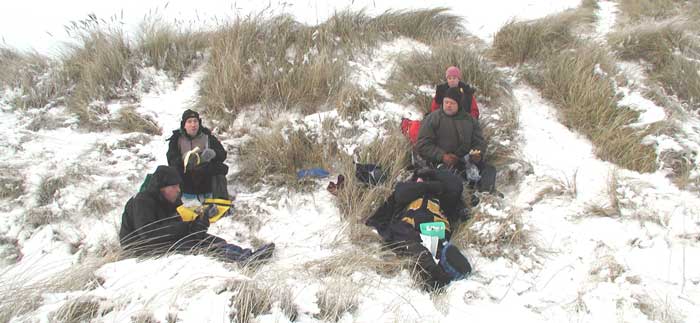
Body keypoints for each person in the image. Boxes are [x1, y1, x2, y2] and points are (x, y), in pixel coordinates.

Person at [119, 165, 274, 262]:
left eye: (178, 186)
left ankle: (246, 256)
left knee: (207, 239)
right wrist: (188, 228)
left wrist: (200, 223)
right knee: (193, 244)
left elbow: (180, 226)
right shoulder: (142, 201)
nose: (178, 190)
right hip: (140, 249)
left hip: (159, 242)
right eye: (173, 186)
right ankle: (242, 260)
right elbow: (149, 234)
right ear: (162, 187)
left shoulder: (170, 201)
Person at [366, 168, 471, 290]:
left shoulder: (442, 195)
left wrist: (434, 173)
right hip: (411, 227)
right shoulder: (407, 190)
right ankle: (433, 270)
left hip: (436, 229)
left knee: (430, 245)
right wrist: (427, 186)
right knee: (408, 238)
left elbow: (455, 185)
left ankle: (441, 267)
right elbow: (401, 193)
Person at [416, 86, 498, 194]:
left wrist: (477, 154)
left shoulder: (470, 120)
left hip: (465, 161)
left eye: (452, 103)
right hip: (440, 163)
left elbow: (479, 142)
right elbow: (422, 144)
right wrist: (443, 156)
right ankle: (465, 195)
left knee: (490, 170)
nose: (448, 105)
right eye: (446, 102)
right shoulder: (433, 118)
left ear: (459, 104)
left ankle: (485, 195)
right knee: (449, 179)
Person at [166, 109, 229, 199]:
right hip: (185, 176)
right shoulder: (176, 139)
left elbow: (222, 154)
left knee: (220, 168)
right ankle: (175, 201)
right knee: (166, 172)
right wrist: (183, 159)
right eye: (189, 122)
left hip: (204, 174)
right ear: (184, 125)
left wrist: (213, 154)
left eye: (195, 121)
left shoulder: (208, 137)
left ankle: (221, 201)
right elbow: (170, 159)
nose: (193, 125)